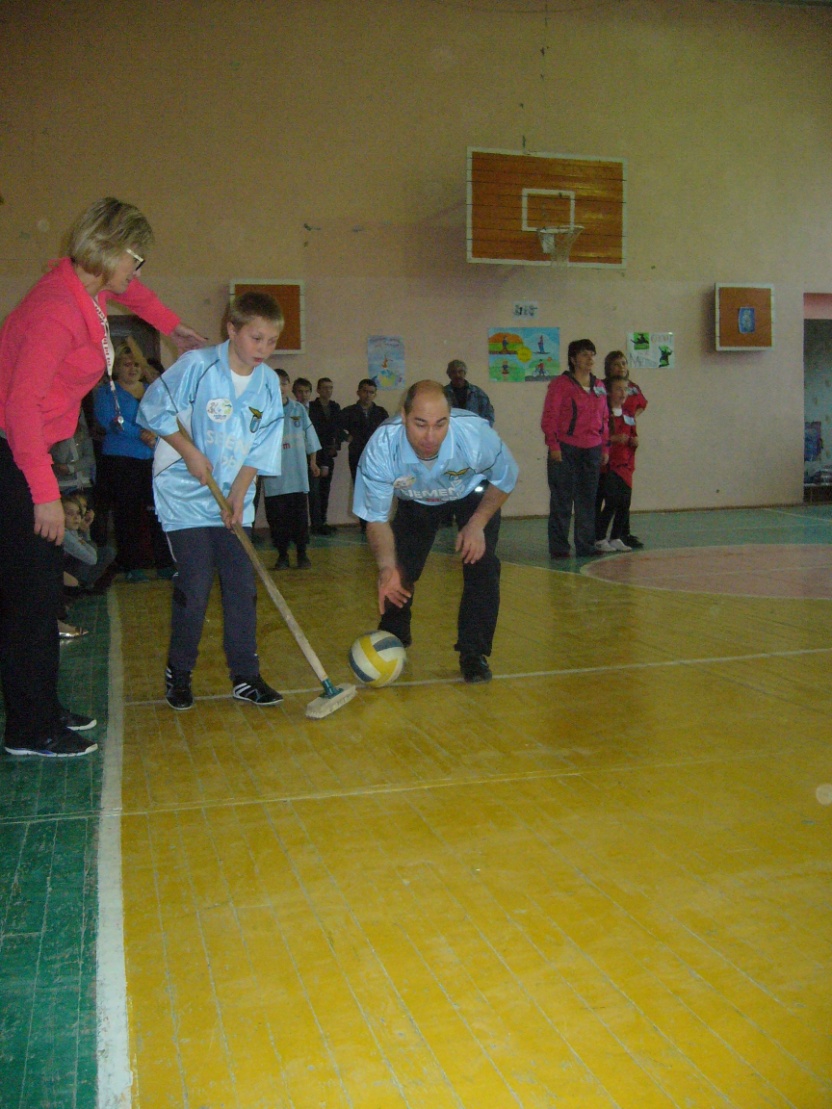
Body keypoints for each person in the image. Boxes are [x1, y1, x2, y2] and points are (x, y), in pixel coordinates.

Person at [0, 196, 205, 758]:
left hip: (25, 451)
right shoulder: (56, 310)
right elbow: (19, 407)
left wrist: (173, 327)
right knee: (31, 596)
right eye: (135, 258)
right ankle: (29, 728)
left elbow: (133, 294)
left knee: (41, 595)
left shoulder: (82, 287)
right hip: (12, 454)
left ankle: (38, 706)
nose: (138, 272)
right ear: (110, 248)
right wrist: (44, 495)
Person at [137, 291, 285, 711]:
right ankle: (179, 673)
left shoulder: (269, 384)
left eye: (272, 341)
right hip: (183, 493)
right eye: (256, 338)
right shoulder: (197, 367)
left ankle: (246, 676)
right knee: (197, 584)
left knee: (241, 585)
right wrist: (189, 451)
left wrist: (239, 495)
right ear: (232, 330)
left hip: (233, 497)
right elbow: (152, 410)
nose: (264, 349)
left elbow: (262, 446)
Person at [354, 380, 519, 684]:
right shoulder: (382, 447)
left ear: (450, 417)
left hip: (473, 493)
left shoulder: (473, 434)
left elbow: (506, 478)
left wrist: (478, 523)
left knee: (482, 565)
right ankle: (394, 634)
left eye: (440, 424)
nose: (431, 437)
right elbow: (376, 519)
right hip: (417, 499)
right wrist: (385, 567)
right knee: (399, 569)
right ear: (403, 416)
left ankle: (473, 653)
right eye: (420, 424)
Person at [93, 343, 174, 580]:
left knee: (157, 511)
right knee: (127, 514)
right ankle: (132, 565)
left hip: (151, 459)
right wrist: (140, 433)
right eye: (126, 364)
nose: (132, 368)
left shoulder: (153, 390)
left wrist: (155, 434)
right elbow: (110, 420)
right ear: (117, 368)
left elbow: (165, 416)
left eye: (136, 364)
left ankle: (164, 562)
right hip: (121, 461)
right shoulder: (108, 392)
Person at [541, 339, 609, 559]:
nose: (590, 359)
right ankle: (559, 548)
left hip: (592, 450)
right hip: (565, 449)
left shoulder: (599, 386)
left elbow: (605, 419)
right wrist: (553, 445)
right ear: (573, 359)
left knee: (587, 501)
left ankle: (586, 545)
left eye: (592, 354)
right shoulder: (561, 384)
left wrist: (605, 447)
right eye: (584, 355)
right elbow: (550, 416)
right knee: (562, 500)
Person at [262, 369, 320, 570]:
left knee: (300, 518)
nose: (281, 388)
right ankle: (282, 555)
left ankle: (302, 554)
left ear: (288, 386)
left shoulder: (299, 410)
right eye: (276, 384)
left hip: (297, 476)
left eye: (284, 383)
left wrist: (312, 462)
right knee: (277, 519)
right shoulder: (263, 411)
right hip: (274, 478)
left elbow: (310, 438)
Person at [603, 350, 648, 548]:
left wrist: (631, 418)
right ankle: (597, 536)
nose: (620, 367)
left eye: (623, 363)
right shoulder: (601, 387)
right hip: (607, 455)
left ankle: (621, 534)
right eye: (616, 364)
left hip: (625, 455)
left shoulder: (634, 388)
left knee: (623, 498)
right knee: (607, 498)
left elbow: (641, 405)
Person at [594, 377, 638, 553]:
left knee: (624, 503)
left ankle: (616, 536)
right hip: (609, 467)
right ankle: (599, 537)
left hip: (625, 466)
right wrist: (613, 439)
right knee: (611, 501)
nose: (623, 393)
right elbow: (597, 438)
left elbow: (634, 434)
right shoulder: (604, 414)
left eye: (625, 389)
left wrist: (635, 441)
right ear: (609, 393)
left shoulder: (629, 415)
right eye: (618, 389)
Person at [339, 379, 388, 531]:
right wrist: (347, 437)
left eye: (371, 392)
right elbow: (337, 428)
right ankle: (364, 523)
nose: (368, 395)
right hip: (357, 454)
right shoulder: (349, 411)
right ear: (358, 392)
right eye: (365, 391)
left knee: (377, 489)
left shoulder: (381, 412)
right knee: (360, 488)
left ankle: (376, 522)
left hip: (377, 456)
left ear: (375, 394)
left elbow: (387, 432)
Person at [308, 376, 342, 535]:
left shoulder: (335, 407)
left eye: (330, 387)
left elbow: (337, 429)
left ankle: (323, 520)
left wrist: (336, 444)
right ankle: (316, 524)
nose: (328, 390)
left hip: (329, 452)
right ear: (318, 390)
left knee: (325, 489)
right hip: (314, 453)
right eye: (325, 387)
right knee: (314, 491)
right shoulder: (311, 407)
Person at [61, 492, 116, 589]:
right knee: (93, 547)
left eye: (79, 511)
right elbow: (91, 558)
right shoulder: (65, 533)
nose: (77, 516)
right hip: (65, 572)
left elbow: (87, 545)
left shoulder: (72, 528)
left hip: (78, 564)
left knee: (108, 552)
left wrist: (86, 529)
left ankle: (85, 584)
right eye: (70, 513)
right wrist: (86, 543)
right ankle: (80, 586)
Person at [443, 359, 495, 426]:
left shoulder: (477, 393)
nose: (457, 375)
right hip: (451, 433)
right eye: (454, 372)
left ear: (464, 373)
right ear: (449, 375)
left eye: (460, 371)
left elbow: (489, 414)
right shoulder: (443, 394)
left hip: (473, 433)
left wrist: (481, 429)